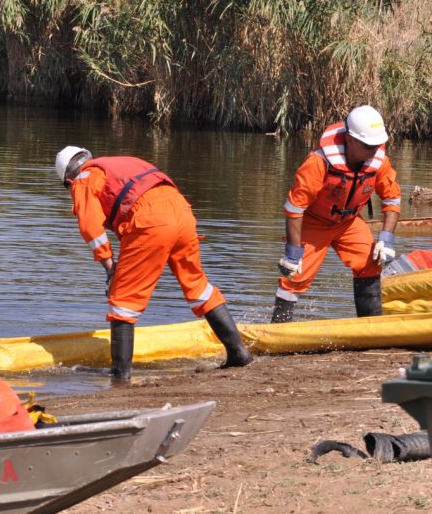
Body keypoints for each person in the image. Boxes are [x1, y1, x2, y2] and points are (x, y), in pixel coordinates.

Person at [54, 146, 254, 380]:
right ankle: (238, 352)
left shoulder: (83, 179)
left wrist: (110, 267)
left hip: (150, 220)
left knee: (122, 299)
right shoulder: (121, 162)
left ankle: (120, 374)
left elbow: (90, 227)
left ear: (68, 179)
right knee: (198, 286)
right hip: (182, 213)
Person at [272, 105, 401, 323]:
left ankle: (371, 328)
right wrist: (292, 253)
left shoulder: (379, 161)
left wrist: (386, 239)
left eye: (378, 144)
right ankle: (278, 329)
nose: (375, 150)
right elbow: (295, 208)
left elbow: (392, 199)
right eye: (369, 145)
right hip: (314, 222)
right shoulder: (319, 162)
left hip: (348, 222)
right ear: (350, 140)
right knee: (295, 274)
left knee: (371, 261)